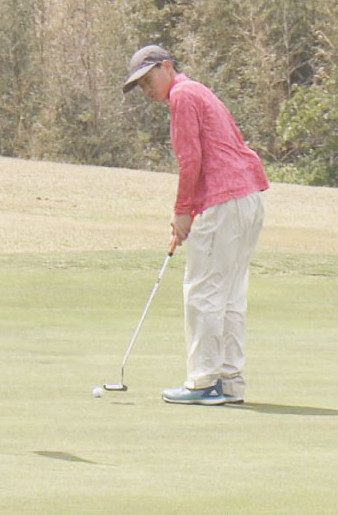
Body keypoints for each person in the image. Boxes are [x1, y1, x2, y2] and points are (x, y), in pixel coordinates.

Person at [123, 45, 268, 405]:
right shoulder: (199, 91)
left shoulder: (182, 95)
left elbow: (191, 159)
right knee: (230, 294)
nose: (145, 89)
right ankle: (229, 381)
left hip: (225, 200)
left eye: (147, 79)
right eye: (138, 85)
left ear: (166, 67)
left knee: (203, 291)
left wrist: (182, 210)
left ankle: (203, 381)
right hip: (247, 197)